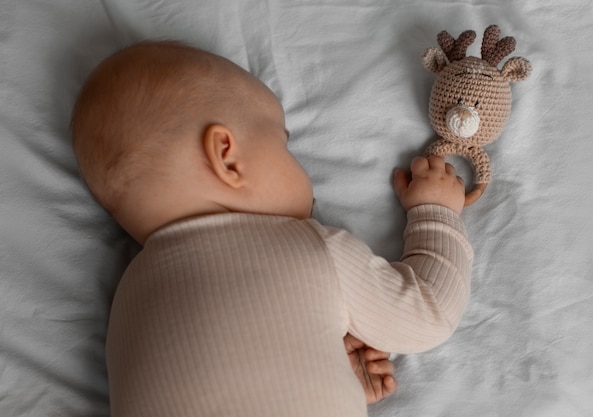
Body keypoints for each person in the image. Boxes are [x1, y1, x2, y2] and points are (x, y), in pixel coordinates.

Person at [71, 41, 472, 417]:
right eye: (284, 144)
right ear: (228, 158)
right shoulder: (309, 245)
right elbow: (428, 313)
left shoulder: (126, 301)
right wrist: (436, 209)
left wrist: (328, 372)